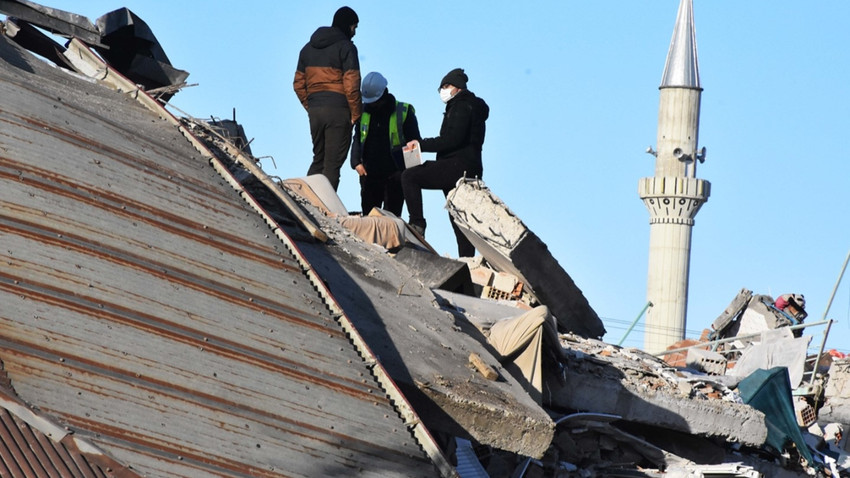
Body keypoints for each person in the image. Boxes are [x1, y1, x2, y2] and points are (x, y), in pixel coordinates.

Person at [401, 68, 489, 257]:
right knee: (458, 218)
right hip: (469, 168)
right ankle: (467, 260)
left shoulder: (462, 105)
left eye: (446, 86)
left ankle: (417, 224)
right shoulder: (467, 105)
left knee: (410, 176)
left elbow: (452, 139)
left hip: (457, 166)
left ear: (457, 87)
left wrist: (421, 144)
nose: (443, 90)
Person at [293, 6, 361, 191]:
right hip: (339, 110)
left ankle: (306, 201)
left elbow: (298, 83)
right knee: (332, 164)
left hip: (316, 111)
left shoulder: (306, 49)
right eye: (354, 27)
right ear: (348, 25)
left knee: (318, 159)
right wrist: (355, 113)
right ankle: (324, 207)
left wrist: (312, 106)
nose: (354, 33)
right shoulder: (347, 47)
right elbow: (351, 84)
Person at [350, 72, 421, 216]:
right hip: (369, 173)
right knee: (369, 218)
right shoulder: (363, 112)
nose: (371, 104)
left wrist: (410, 174)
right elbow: (357, 138)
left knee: (391, 219)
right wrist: (356, 162)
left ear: (383, 94)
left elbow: (414, 143)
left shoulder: (403, 112)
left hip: (394, 175)